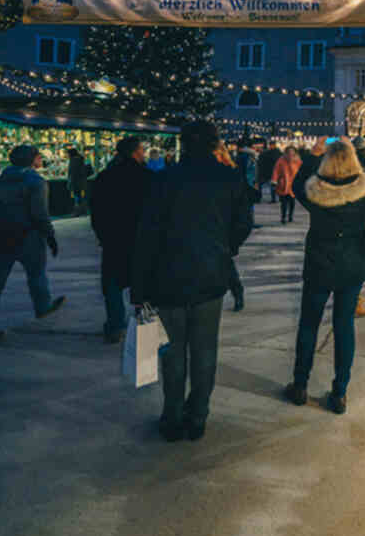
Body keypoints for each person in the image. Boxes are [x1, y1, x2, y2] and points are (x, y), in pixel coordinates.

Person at [131, 120, 253, 442]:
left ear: (184, 144)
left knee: (172, 353)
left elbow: (146, 236)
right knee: (204, 351)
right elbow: (243, 224)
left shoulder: (163, 180)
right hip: (210, 276)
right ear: (214, 145)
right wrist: (225, 247)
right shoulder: (229, 178)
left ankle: (172, 416)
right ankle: (197, 415)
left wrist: (139, 285)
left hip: (167, 278)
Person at [284, 139, 365, 414]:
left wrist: (312, 155)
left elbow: (297, 185)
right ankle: (340, 392)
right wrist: (353, 149)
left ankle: (300, 385)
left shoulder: (316, 194)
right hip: (352, 266)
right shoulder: (363, 193)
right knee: (344, 325)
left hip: (320, 266)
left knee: (309, 324)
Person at [0, 145, 66, 346]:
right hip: (28, 237)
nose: (41, 159)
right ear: (32, 159)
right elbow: (40, 214)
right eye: (38, 156)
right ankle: (43, 315)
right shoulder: (36, 181)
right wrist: (50, 236)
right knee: (37, 277)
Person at [89, 137, 152, 342]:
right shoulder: (148, 177)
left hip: (114, 239)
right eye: (142, 150)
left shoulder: (105, 177)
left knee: (113, 285)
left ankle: (116, 326)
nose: (144, 154)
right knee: (144, 282)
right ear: (135, 152)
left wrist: (102, 235)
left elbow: (96, 211)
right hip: (142, 239)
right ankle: (145, 323)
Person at [213, 141, 251, 311]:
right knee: (223, 264)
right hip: (213, 226)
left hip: (223, 229)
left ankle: (237, 292)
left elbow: (242, 214)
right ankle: (235, 291)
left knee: (225, 264)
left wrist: (234, 239)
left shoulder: (230, 173)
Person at [272, 145, 301, 223]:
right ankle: (283, 217)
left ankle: (290, 216)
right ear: (286, 152)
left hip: (293, 185)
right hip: (283, 184)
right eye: (289, 152)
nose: (290, 153)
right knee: (283, 203)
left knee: (292, 202)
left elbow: (301, 171)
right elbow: (276, 171)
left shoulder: (298, 160)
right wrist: (274, 181)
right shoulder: (281, 160)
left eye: (292, 152)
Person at [66, 147, 93, 215]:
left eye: (68, 154)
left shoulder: (73, 161)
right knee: (81, 197)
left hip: (76, 183)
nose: (67, 155)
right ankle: (83, 211)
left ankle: (77, 212)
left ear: (70, 154)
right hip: (82, 182)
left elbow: (72, 173)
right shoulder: (81, 159)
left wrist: (70, 183)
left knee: (77, 198)